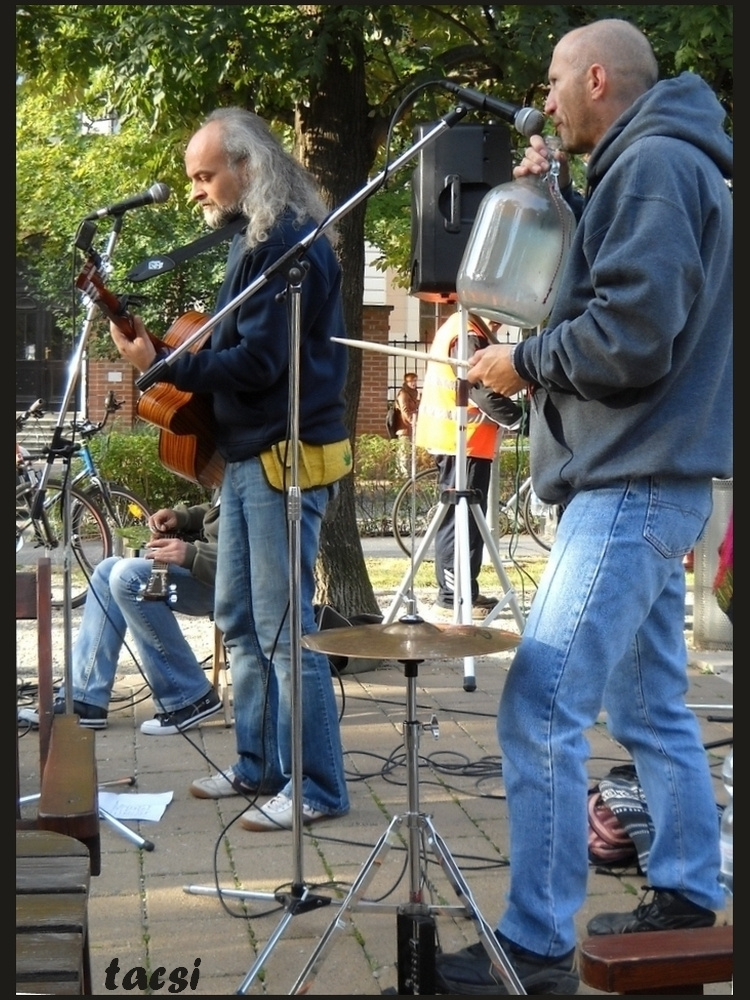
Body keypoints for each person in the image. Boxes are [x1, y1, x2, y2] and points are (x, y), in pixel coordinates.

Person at [434, 18, 732, 995]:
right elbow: (623, 303)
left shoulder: (651, 170)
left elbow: (632, 339)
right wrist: (557, 206)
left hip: (632, 482)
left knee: (541, 702)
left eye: (556, 82)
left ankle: (537, 943)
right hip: (653, 480)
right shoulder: (655, 167)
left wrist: (519, 362)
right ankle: (689, 889)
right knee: (649, 704)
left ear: (598, 78)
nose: (546, 99)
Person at [109, 107, 351, 832]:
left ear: (248, 167)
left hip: (285, 457)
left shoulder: (285, 244)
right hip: (251, 455)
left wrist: (163, 365)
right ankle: (258, 765)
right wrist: (171, 363)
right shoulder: (255, 239)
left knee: (282, 627)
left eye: (204, 175)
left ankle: (317, 788)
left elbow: (260, 363)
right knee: (239, 619)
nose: (195, 191)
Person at [18, 503, 222, 736]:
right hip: (211, 567)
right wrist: (182, 518)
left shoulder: (258, 475)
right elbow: (218, 510)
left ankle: (189, 696)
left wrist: (193, 554)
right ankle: (85, 699)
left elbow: (255, 551)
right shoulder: (232, 473)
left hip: (232, 581)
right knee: (107, 570)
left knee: (129, 576)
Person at [414, 311, 525, 617]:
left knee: (470, 520)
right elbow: (482, 389)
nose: (501, 321)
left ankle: (466, 592)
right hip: (461, 442)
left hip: (466, 443)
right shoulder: (466, 333)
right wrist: (521, 419)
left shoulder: (466, 328)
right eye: (497, 314)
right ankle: (452, 596)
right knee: (458, 518)